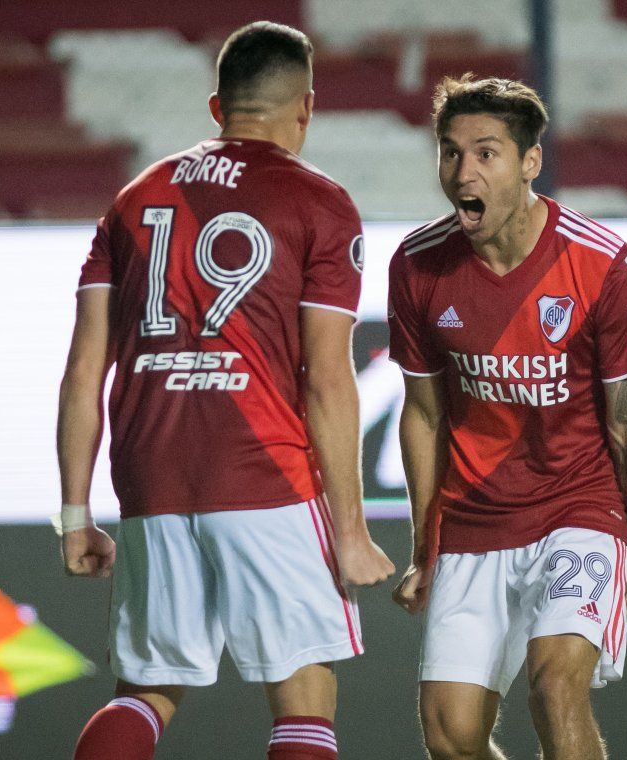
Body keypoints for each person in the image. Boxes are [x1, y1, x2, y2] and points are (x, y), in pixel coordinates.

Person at [56, 20, 395, 760]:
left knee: (144, 691)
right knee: (304, 695)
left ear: (218, 106)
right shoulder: (319, 202)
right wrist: (349, 529)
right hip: (263, 470)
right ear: (306, 108)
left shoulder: (133, 199)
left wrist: (75, 514)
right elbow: (328, 377)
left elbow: (84, 371)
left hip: (152, 477)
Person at [388, 75, 627, 760]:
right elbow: (423, 415)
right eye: (450, 153)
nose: (463, 171)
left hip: (578, 507)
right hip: (474, 518)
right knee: (451, 735)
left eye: (486, 153)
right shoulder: (417, 266)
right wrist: (425, 547)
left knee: (554, 689)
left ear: (530, 162)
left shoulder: (601, 265)